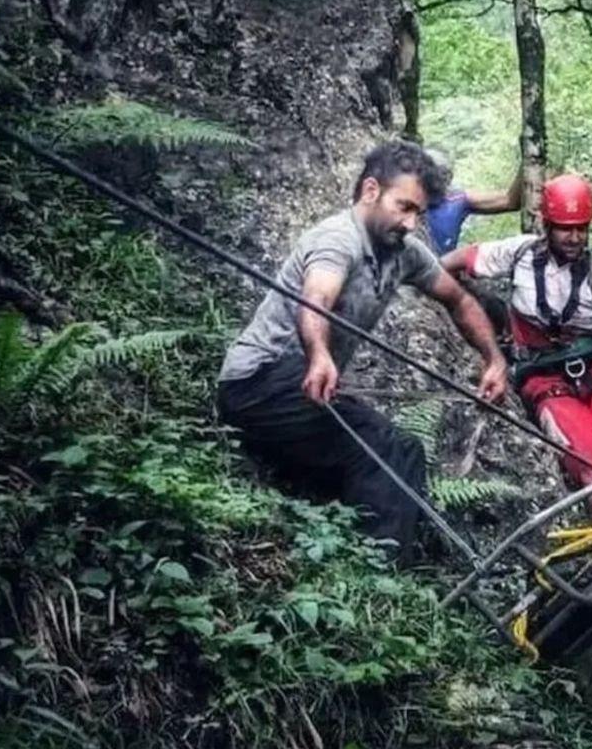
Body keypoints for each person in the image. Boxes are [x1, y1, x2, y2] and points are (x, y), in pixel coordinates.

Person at [216, 140, 509, 561]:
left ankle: (392, 554)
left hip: (306, 393)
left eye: (419, 213)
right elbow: (316, 297)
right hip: (259, 382)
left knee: (404, 454)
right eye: (404, 206)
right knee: (387, 447)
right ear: (371, 191)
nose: (411, 223)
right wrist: (319, 355)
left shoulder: (404, 252)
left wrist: (494, 359)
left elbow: (459, 300)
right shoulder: (339, 239)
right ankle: (382, 573)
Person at [440, 174, 592, 500]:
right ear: (548, 225)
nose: (574, 237)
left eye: (581, 229)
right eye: (565, 228)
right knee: (590, 465)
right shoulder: (519, 253)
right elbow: (461, 260)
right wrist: (429, 277)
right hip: (544, 377)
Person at [425, 151, 523, 254]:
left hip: (441, 266)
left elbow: (509, 201)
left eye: (443, 175)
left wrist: (526, 164)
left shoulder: (457, 200)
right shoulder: (409, 200)